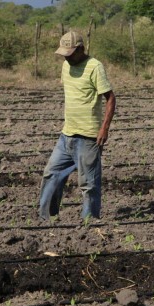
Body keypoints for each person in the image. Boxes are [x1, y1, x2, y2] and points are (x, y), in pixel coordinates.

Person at [38, 31, 116, 221]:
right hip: (67, 135)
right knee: (51, 174)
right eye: (64, 53)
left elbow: (110, 98)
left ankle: (89, 223)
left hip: (89, 136)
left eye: (70, 53)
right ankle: (47, 219)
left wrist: (104, 128)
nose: (66, 57)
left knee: (88, 184)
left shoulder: (94, 67)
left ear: (81, 49)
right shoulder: (66, 65)